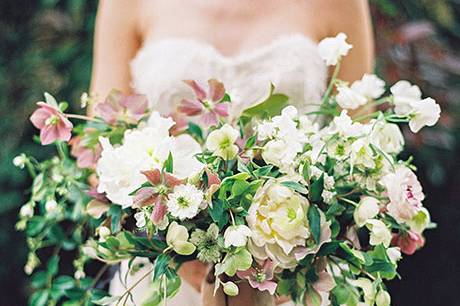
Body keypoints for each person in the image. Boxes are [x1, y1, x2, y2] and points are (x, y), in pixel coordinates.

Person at [90, 1, 374, 305]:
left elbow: (358, 146)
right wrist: (175, 251)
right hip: (165, 273)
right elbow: (99, 146)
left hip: (296, 272)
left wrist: (286, 261)